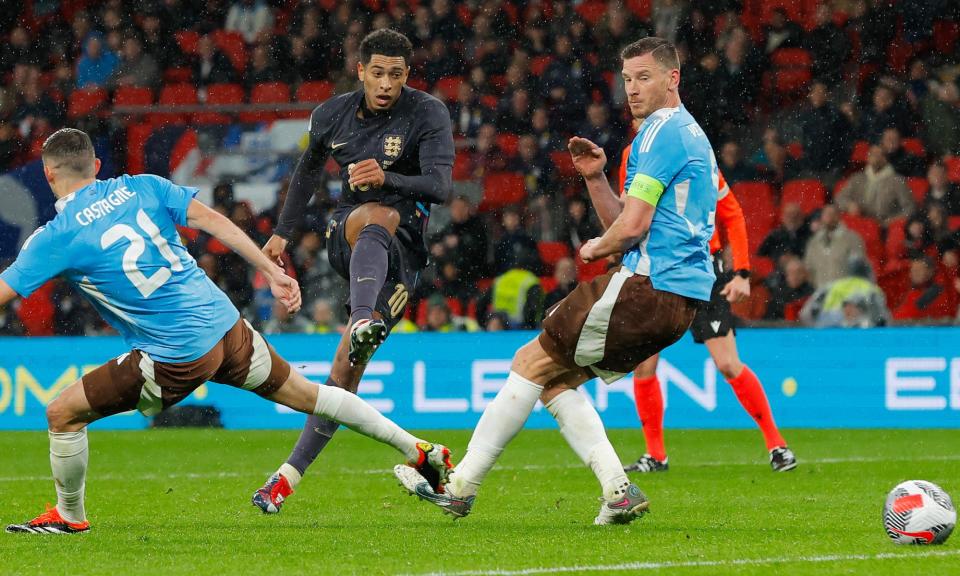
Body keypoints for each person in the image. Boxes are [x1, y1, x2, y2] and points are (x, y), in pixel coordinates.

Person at [1, 128, 452, 535]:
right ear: (97, 165)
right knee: (310, 395)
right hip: (226, 327)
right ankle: (419, 449)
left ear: (47, 174)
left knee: (63, 414)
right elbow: (212, 221)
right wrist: (271, 272)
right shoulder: (143, 185)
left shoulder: (53, 237)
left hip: (175, 354)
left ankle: (69, 516)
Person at [395, 37, 716, 525]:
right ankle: (618, 490)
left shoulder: (660, 133)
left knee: (528, 361)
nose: (632, 89)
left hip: (648, 286)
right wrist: (595, 180)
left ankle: (461, 487)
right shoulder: (687, 135)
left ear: (673, 78)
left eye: (644, 77)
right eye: (627, 79)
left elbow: (628, 231)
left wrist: (594, 249)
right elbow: (629, 223)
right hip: (677, 300)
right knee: (552, 378)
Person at [251, 29, 454, 514]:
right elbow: (306, 171)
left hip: (404, 258)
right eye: (378, 73)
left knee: (343, 377)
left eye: (396, 75)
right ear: (361, 71)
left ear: (408, 76)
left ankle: (287, 479)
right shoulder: (331, 114)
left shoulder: (428, 112)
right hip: (350, 232)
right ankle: (363, 315)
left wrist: (390, 178)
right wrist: (282, 231)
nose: (386, 84)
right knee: (375, 216)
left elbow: (442, 186)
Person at [625, 169, 797, 474]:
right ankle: (656, 456)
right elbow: (630, 208)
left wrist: (742, 272)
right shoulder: (636, 152)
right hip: (658, 269)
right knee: (644, 363)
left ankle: (777, 446)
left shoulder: (699, 157)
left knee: (728, 364)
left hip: (703, 269)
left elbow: (732, 212)